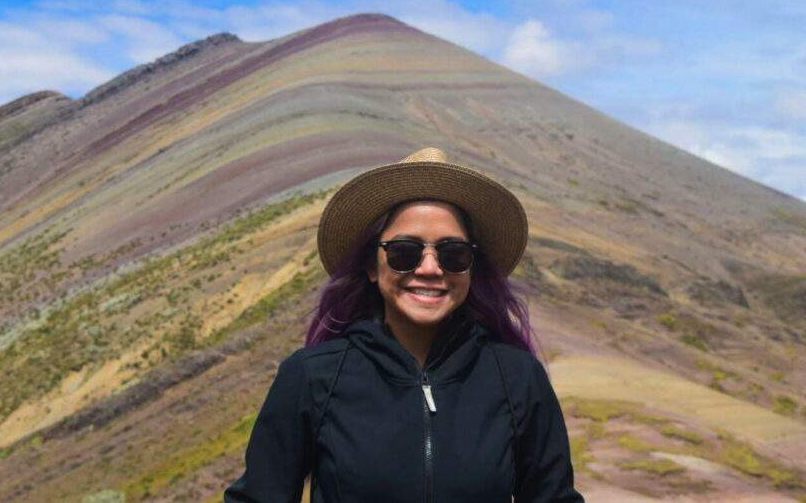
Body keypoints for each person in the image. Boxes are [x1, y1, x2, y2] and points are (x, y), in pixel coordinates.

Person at [224, 147, 584, 503]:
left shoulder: (519, 378)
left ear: (472, 268)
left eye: (453, 253)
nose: (429, 269)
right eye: (404, 252)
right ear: (370, 265)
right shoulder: (311, 376)